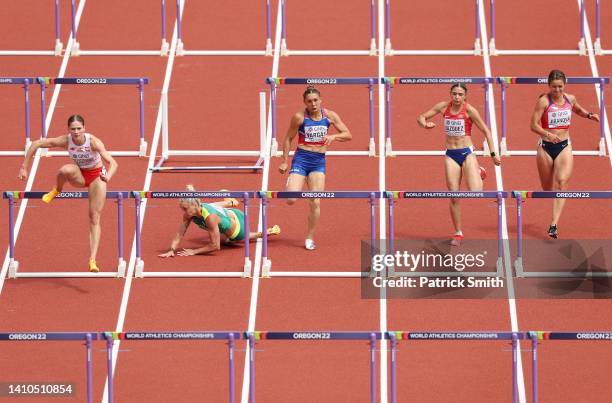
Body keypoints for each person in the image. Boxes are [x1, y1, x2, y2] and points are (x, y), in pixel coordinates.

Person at [18, 115, 119, 272]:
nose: (76, 132)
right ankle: (57, 190)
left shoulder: (93, 142)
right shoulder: (66, 140)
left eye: (79, 128)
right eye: (73, 129)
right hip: (79, 174)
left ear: (84, 128)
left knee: (94, 217)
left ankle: (92, 260)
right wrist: (24, 166)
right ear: (69, 130)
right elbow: (36, 143)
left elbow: (113, 163)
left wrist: (108, 176)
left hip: (97, 176)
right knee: (64, 170)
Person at [417, 83, 501, 246]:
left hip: (467, 153)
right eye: (454, 94)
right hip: (451, 154)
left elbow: (486, 131)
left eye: (460, 94)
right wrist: (425, 125)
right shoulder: (443, 107)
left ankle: (480, 171)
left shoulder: (469, 110)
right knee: (454, 195)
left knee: (475, 191)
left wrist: (493, 154)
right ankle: (458, 232)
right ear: (450, 94)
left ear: (465, 96)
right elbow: (421, 117)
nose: (457, 97)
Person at [278, 85, 352, 250]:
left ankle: (309, 237)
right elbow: (288, 138)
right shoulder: (299, 117)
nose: (313, 104)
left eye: (315, 100)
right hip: (301, 159)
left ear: (321, 100)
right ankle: (293, 180)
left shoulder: (330, 115)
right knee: (291, 199)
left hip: (318, 161)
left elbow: (348, 134)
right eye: (309, 101)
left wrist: (334, 136)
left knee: (315, 201)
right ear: (304, 102)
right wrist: (284, 160)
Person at [530, 69, 600, 239]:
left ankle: (553, 225)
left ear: (565, 85)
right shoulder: (543, 102)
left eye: (560, 87)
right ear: (549, 86)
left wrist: (589, 115)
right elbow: (533, 125)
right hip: (545, 147)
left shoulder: (570, 98)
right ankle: (552, 194)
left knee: (562, 184)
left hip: (564, 146)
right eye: (554, 87)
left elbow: (577, 109)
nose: (557, 90)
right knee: (547, 189)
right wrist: (547, 134)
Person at [158, 185, 281, 257]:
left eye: (185, 208)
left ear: (194, 205)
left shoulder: (210, 218)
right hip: (233, 214)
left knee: (228, 241)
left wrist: (194, 251)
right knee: (210, 209)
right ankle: (231, 202)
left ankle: (262, 233)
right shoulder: (195, 210)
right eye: (182, 208)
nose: (183, 211)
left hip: (239, 229)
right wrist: (171, 249)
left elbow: (215, 247)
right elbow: (180, 233)